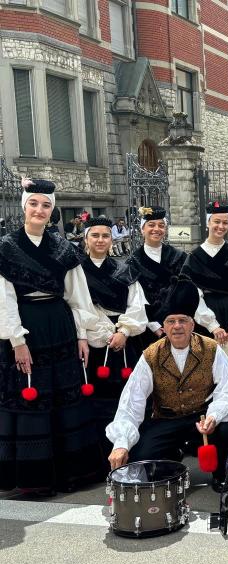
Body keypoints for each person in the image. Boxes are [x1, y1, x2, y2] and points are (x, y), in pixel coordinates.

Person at [0, 178, 103, 494]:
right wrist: (17, 340)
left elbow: (77, 296)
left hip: (60, 327)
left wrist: (82, 336)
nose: (40, 210)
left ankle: (70, 474)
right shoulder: (6, 247)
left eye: (46, 205)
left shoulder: (64, 249)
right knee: (31, 398)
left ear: (52, 210)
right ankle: (34, 479)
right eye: (34, 204)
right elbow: (4, 298)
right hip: (27, 329)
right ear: (24, 207)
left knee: (64, 399)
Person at [106, 277, 228, 490]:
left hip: (201, 417)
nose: (177, 326)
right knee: (142, 456)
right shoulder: (150, 355)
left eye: (182, 320)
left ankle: (220, 472)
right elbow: (132, 401)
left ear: (192, 324)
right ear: (163, 327)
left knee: (226, 430)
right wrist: (121, 443)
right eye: (171, 321)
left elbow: (226, 389)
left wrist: (214, 416)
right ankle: (173, 454)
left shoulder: (211, 348)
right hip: (165, 419)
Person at [81, 216, 148, 456]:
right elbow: (77, 307)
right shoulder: (77, 272)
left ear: (112, 240)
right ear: (86, 240)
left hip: (123, 341)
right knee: (96, 400)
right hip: (91, 341)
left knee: (127, 396)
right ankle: (99, 455)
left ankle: (129, 448)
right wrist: (101, 332)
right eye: (95, 236)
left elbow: (137, 306)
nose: (100, 240)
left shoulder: (125, 270)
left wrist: (123, 331)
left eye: (105, 236)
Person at [126, 206, 210, 348]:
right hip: (149, 327)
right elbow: (136, 299)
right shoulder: (133, 262)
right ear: (142, 229)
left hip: (179, 325)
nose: (156, 229)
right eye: (151, 225)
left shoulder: (179, 256)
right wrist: (153, 325)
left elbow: (190, 290)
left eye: (161, 225)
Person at [181, 201, 228, 354]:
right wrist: (212, 326)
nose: (221, 226)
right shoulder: (195, 257)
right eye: (216, 221)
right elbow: (193, 295)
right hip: (205, 319)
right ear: (208, 222)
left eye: (225, 222)